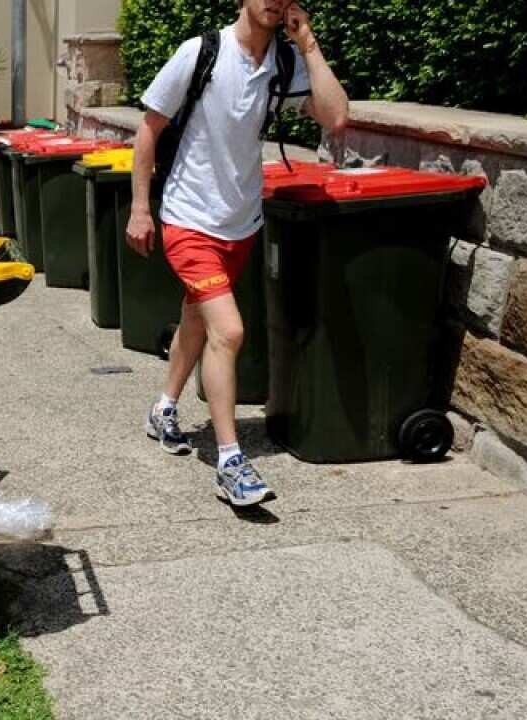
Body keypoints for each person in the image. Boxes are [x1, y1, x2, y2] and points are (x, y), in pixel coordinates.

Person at [125, 0, 348, 507]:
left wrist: (307, 42)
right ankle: (230, 462)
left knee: (198, 320)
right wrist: (141, 208)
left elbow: (335, 117)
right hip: (188, 218)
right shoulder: (201, 52)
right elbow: (148, 129)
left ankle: (163, 409)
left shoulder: (285, 63)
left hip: (241, 222)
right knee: (229, 330)